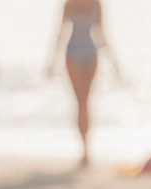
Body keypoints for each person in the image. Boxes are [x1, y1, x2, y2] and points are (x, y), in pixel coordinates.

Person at [47, 0, 119, 166]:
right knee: (80, 102)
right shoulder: (69, 4)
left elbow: (101, 32)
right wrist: (51, 61)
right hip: (72, 53)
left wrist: (113, 60)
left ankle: (88, 150)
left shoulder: (96, 4)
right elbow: (61, 32)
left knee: (86, 101)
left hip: (91, 53)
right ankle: (84, 149)